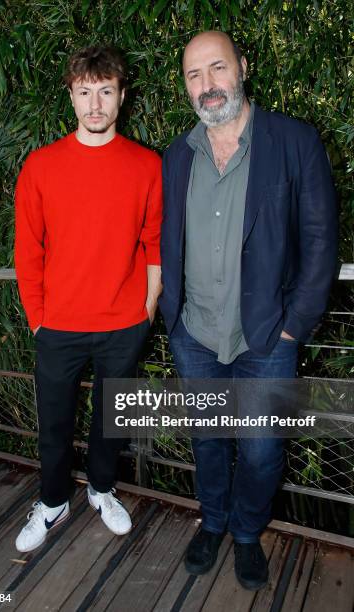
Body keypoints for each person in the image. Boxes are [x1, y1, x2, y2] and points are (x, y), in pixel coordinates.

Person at [159, 31, 337, 590]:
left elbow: (320, 243)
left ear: (242, 67)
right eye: (194, 74)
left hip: (266, 340)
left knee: (261, 453)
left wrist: (292, 329)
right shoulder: (177, 156)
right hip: (195, 334)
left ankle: (244, 532)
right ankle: (212, 523)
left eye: (217, 68)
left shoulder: (293, 142)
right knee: (208, 441)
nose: (207, 85)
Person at [14, 46, 162, 552]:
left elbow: (155, 240)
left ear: (121, 96)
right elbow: (27, 249)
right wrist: (38, 317)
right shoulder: (40, 166)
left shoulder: (146, 165)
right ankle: (52, 501)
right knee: (54, 421)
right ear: (72, 96)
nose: (94, 103)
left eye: (104, 91)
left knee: (111, 418)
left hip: (124, 323)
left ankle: (102, 489)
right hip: (58, 326)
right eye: (84, 91)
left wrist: (148, 306)